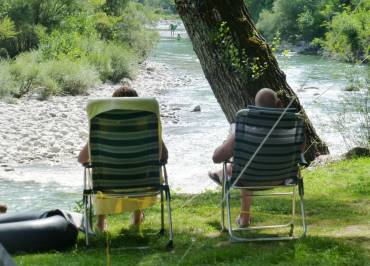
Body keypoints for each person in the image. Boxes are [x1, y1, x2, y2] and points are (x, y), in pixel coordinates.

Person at [78, 84, 168, 232]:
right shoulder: (148, 131)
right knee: (141, 172)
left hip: (107, 185)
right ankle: (137, 217)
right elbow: (164, 156)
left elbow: (82, 159)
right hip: (143, 184)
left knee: (98, 173)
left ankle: (101, 223)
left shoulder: (103, 132)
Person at [209, 88, 283, 228]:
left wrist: (228, 140)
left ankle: (244, 216)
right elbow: (300, 151)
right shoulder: (291, 126)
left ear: (255, 107)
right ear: (279, 104)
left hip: (250, 177)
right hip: (282, 177)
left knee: (245, 168)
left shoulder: (243, 127)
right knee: (246, 167)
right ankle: (223, 174)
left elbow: (217, 157)